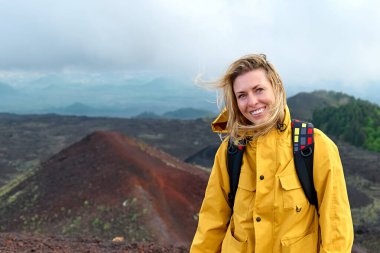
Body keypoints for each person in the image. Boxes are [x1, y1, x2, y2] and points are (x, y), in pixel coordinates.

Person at [190, 54, 353, 253]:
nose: (252, 102)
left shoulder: (315, 146)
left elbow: (336, 228)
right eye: (242, 95)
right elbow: (211, 224)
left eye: (259, 90)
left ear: (276, 87)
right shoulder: (229, 152)